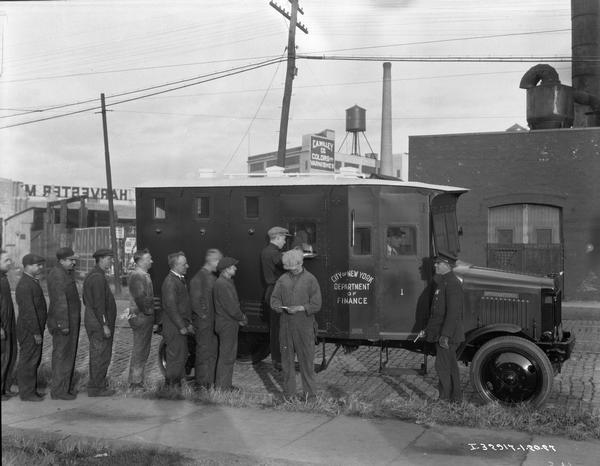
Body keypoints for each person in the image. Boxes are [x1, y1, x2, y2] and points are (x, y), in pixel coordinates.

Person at [270, 249, 322, 400]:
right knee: (287, 364)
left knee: (307, 363)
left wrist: (300, 308)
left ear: (301, 263)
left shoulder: (311, 280)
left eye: (294, 267)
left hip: (305, 327)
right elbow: (274, 300)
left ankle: (310, 397)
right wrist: (280, 307)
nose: (292, 271)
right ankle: (289, 395)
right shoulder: (282, 280)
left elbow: (316, 304)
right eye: (289, 268)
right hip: (285, 327)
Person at [422, 251, 465, 403]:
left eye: (438, 263)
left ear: (447, 265)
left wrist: (445, 335)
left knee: (443, 367)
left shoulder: (452, 284)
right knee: (451, 366)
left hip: (448, 335)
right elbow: (437, 312)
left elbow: (453, 313)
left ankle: (445, 399)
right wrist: (427, 330)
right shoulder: (444, 282)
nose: (435, 265)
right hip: (443, 333)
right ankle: (456, 399)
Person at [47, 247, 81, 400]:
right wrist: (63, 324)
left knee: (67, 355)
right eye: (71, 260)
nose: (74, 262)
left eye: (74, 260)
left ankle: (63, 389)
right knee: (62, 356)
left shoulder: (64, 273)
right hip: (64, 324)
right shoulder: (57, 275)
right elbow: (59, 302)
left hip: (70, 322)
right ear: (61, 260)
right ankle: (59, 391)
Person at [83, 248, 117, 397]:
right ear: (101, 259)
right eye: (109, 258)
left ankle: (97, 385)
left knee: (99, 354)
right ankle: (96, 388)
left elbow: (87, 300)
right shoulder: (97, 277)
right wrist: (104, 324)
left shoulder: (95, 275)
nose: (111, 261)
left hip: (94, 321)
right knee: (100, 355)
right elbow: (99, 304)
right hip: (99, 324)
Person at [15, 254, 47, 402]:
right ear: (27, 266)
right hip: (29, 330)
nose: (40, 267)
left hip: (33, 329)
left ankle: (30, 390)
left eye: (41, 265)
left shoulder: (31, 281)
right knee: (28, 361)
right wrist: (36, 332)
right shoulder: (25, 284)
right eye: (37, 265)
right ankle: (27, 393)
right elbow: (28, 312)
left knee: (34, 359)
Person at [190, 248, 222, 389]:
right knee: (203, 352)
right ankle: (201, 384)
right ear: (212, 261)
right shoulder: (199, 278)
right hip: (204, 324)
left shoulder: (210, 276)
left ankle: (209, 381)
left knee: (212, 352)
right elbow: (195, 302)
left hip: (211, 322)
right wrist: (204, 317)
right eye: (219, 261)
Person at [161, 251, 194, 388]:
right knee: (175, 358)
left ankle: (176, 386)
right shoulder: (170, 282)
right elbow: (171, 308)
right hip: (174, 328)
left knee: (180, 357)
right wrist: (182, 326)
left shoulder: (178, 279)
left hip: (178, 326)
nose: (187, 265)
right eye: (184, 264)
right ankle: (170, 389)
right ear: (175, 265)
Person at [213, 257, 247, 391]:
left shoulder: (226, 282)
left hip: (228, 323)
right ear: (226, 269)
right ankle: (222, 388)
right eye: (233, 266)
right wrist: (241, 317)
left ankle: (225, 385)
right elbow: (231, 307)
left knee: (228, 355)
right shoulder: (222, 284)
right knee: (227, 356)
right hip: (227, 324)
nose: (236, 268)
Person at [260, 226, 290, 371]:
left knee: (275, 327)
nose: (285, 241)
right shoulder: (275, 253)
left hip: (270, 290)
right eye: (284, 238)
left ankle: (276, 359)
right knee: (280, 328)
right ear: (277, 237)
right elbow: (287, 265)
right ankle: (279, 361)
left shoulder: (266, 251)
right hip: (277, 292)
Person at [127, 248, 156, 391]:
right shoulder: (138, 276)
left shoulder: (141, 275)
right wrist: (150, 311)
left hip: (140, 316)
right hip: (141, 317)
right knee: (140, 349)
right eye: (149, 258)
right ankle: (135, 383)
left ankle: (135, 381)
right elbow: (141, 298)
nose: (152, 261)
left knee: (141, 348)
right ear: (140, 261)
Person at [1, 250, 18, 401]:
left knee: (10, 356)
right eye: (6, 260)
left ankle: (5, 388)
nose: (10, 263)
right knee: (3, 358)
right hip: (2, 326)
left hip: (9, 324)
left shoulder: (4, 278)